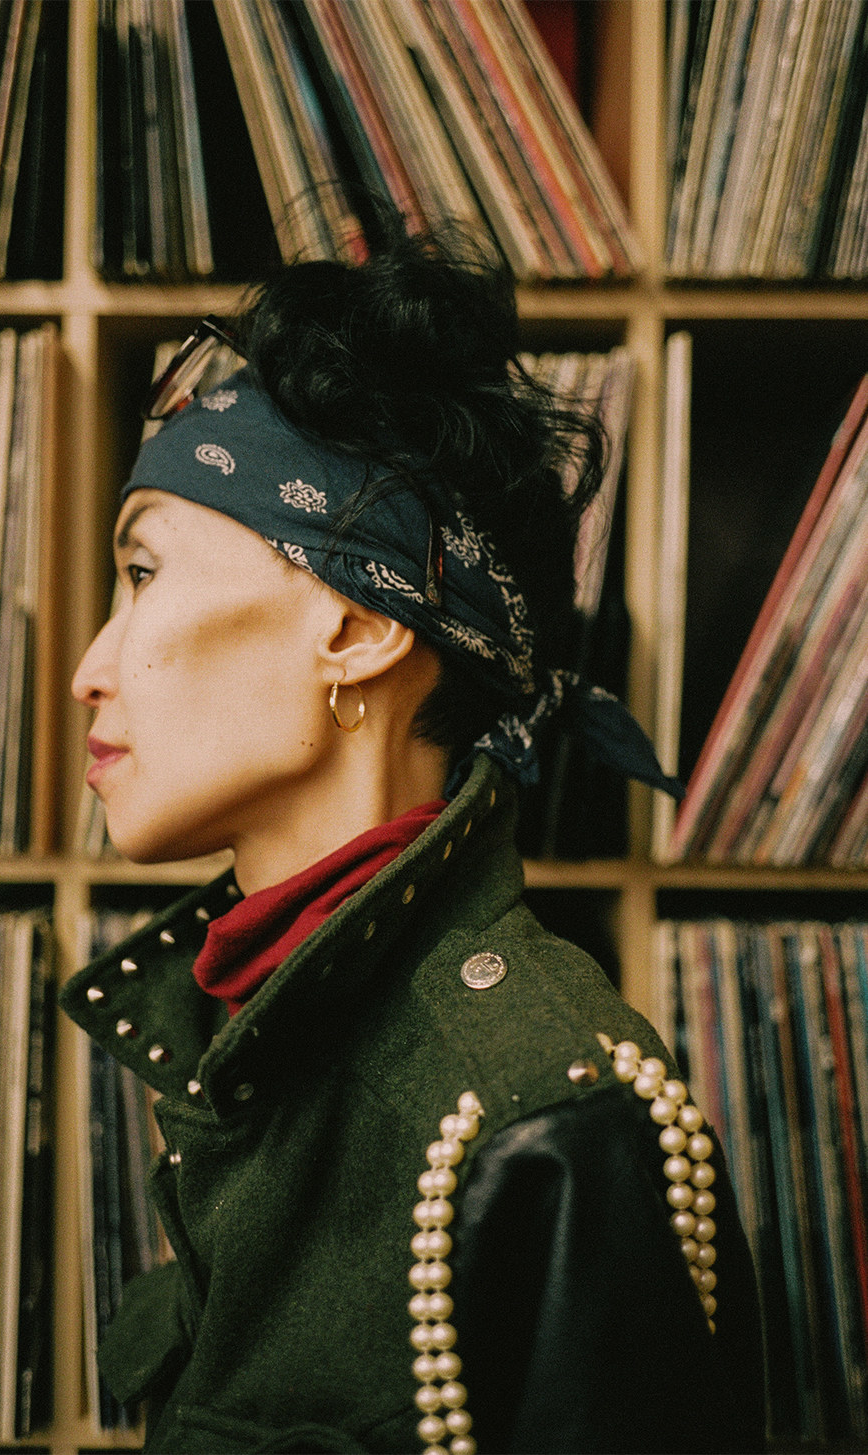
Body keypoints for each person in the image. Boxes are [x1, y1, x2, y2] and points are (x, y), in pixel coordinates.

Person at [62, 219, 764, 1453]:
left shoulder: (548, 1125)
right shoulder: (245, 1015)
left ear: (356, 629)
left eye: (140, 574)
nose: (88, 670)